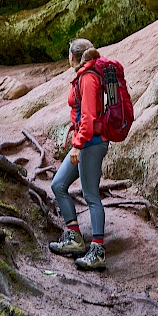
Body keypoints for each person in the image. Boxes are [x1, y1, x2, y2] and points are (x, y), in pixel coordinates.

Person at [49, 38, 109, 271]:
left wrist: (77, 145)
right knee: (58, 184)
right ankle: (74, 237)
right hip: (86, 142)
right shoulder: (85, 75)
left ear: (73, 57)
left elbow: (88, 117)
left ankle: (98, 250)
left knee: (91, 194)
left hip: (90, 144)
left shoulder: (89, 78)